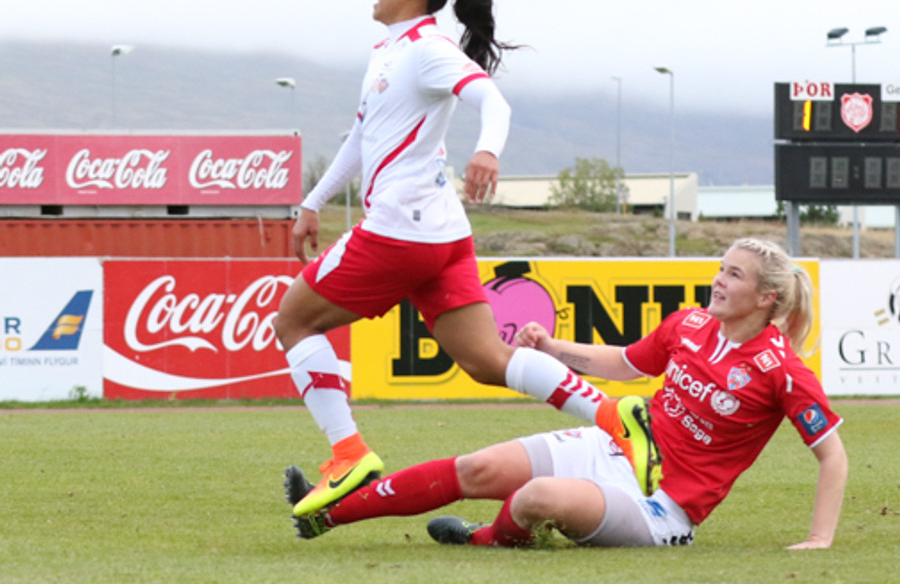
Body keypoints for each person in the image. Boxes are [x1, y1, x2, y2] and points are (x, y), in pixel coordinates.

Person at [275, 0, 659, 518]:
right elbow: (362, 138)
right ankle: (613, 415)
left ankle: (348, 453)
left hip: (399, 231)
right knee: (486, 360)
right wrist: (314, 201)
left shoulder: (427, 50)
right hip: (442, 236)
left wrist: (487, 151)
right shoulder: (390, 52)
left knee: (293, 320)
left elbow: (494, 102)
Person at [284, 238, 848, 551]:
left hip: (660, 507)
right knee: (477, 468)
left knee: (535, 498)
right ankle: (326, 514)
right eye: (721, 269)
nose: (719, 280)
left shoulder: (783, 370)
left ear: (767, 299)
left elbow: (833, 456)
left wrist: (819, 538)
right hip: (613, 445)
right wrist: (553, 348)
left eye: (735, 275)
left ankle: (486, 540)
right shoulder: (689, 324)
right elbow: (624, 364)